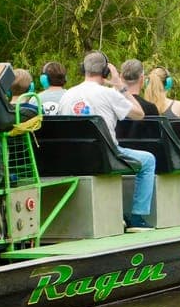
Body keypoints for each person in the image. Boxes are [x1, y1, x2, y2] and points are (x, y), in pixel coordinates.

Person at [58, 51, 156, 232]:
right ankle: (136, 217)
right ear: (106, 72)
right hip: (105, 155)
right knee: (148, 160)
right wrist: (120, 86)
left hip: (73, 159)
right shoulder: (109, 94)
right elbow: (139, 114)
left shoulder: (67, 96)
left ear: (82, 69)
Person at [138, 64, 180, 221]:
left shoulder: (139, 106)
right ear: (168, 83)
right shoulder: (177, 106)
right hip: (168, 154)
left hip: (147, 153)